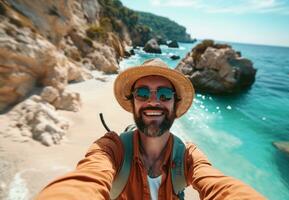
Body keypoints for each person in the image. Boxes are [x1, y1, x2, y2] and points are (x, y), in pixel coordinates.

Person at [35, 59, 265, 200]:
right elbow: (83, 182)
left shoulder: (188, 156)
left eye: (164, 94)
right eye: (143, 93)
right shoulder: (110, 149)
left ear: (175, 104)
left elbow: (220, 186)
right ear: (133, 101)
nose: (153, 101)